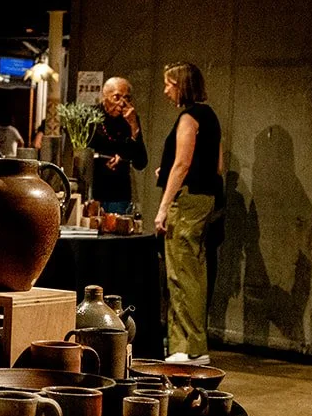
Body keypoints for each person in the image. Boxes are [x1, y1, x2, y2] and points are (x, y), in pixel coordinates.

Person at [154, 61, 221, 365]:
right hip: (204, 200)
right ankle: (189, 345)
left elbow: (182, 165)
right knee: (193, 271)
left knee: (180, 273)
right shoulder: (210, 117)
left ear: (181, 86)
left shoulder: (189, 118)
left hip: (187, 201)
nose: (165, 90)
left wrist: (163, 208)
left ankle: (189, 347)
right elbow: (217, 166)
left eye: (169, 84)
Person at [90, 76, 147, 214]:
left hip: (119, 192)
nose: (122, 103)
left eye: (127, 98)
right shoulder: (90, 116)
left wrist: (134, 127)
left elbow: (141, 162)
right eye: (117, 97)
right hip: (94, 188)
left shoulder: (130, 118)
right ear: (104, 97)